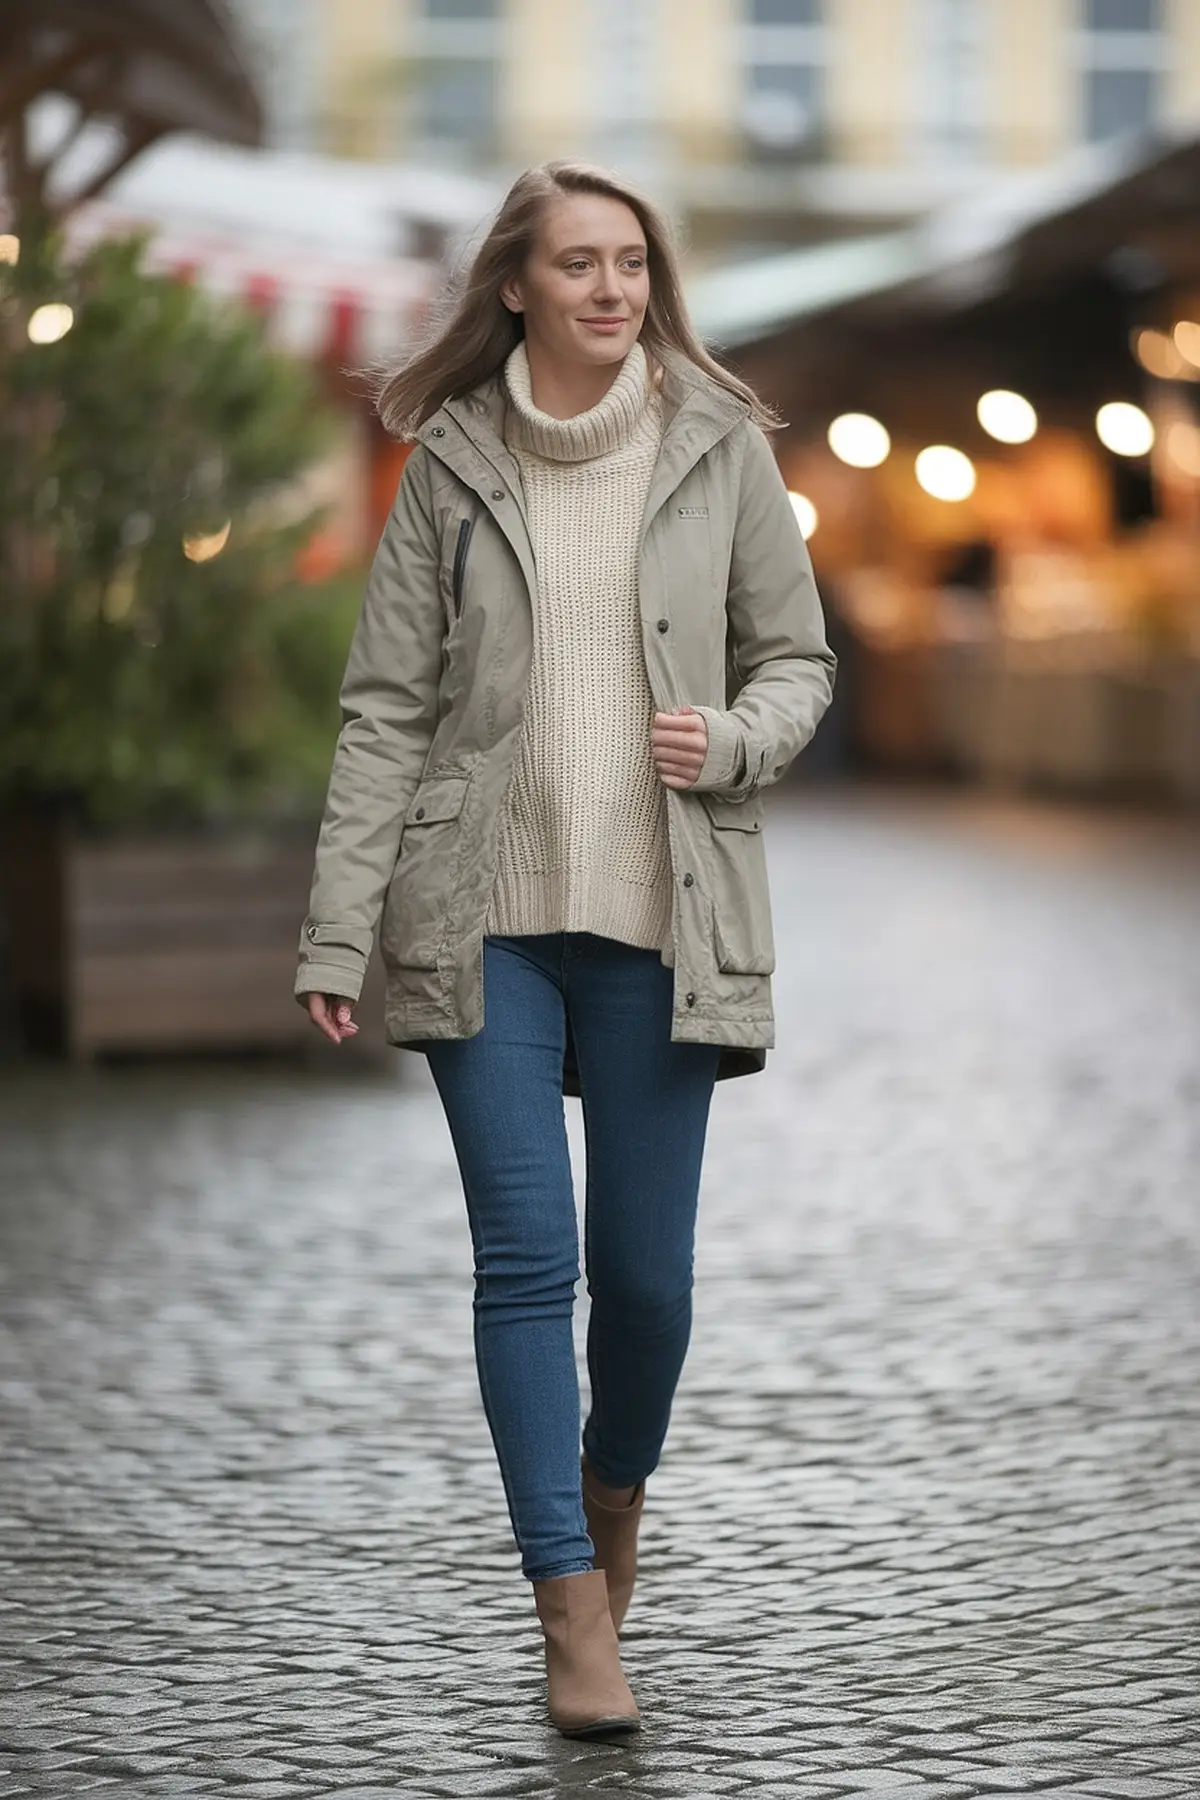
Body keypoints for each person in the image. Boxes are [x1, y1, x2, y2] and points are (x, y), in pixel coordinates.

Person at [294, 161, 835, 1739]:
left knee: (646, 1289)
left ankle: (612, 1498)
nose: (612, 289)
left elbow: (798, 661)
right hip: (484, 921)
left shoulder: (721, 445)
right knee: (525, 1266)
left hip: (666, 919)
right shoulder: (448, 466)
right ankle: (569, 1608)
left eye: (633, 263)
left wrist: (732, 737)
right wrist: (338, 928)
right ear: (516, 286)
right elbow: (383, 712)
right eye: (580, 264)